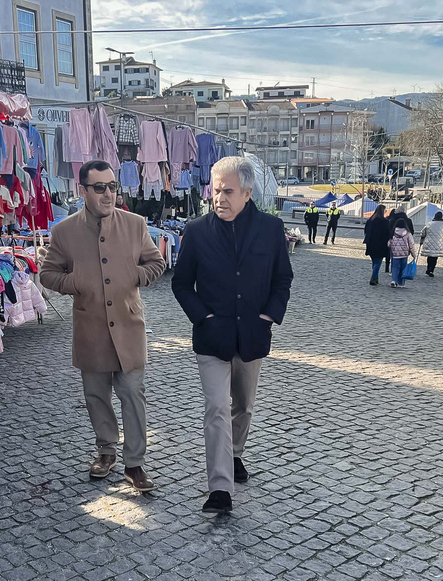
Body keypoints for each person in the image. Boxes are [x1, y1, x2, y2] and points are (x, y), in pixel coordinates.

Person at [171, 156, 293, 515]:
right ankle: (220, 488)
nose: (219, 198)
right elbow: (181, 284)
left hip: (252, 335)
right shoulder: (196, 231)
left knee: (244, 405)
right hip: (211, 337)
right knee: (216, 408)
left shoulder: (271, 229)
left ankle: (236, 452)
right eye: (215, 190)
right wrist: (203, 317)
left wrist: (268, 317)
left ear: (247, 192)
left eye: (227, 191)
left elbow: (282, 279)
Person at [40, 160, 166, 491]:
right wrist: (77, 281)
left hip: (129, 327)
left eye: (112, 186)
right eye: (100, 188)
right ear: (83, 190)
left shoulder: (136, 224)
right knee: (97, 396)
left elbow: (156, 262)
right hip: (91, 330)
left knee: (132, 394)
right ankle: (106, 451)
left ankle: (135, 464)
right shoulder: (64, 231)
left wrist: (135, 276)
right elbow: (47, 274)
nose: (108, 194)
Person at [363, 204, 391, 286]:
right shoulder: (385, 221)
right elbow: (388, 233)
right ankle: (373, 277)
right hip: (381, 244)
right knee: (378, 262)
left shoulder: (371, 220)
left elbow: (366, 231)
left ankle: (376, 278)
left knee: (374, 261)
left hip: (371, 243)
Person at [388, 217, 417, 288]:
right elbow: (411, 244)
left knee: (395, 267)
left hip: (395, 253)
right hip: (404, 254)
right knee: (403, 268)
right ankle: (401, 283)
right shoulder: (407, 233)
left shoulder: (393, 232)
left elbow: (389, 243)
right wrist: (414, 254)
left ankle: (394, 280)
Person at [419, 211, 443, 277]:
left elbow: (423, 233)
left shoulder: (429, 224)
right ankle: (431, 270)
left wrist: (421, 241)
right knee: (435, 258)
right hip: (439, 244)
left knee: (429, 257)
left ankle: (428, 268)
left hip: (429, 243)